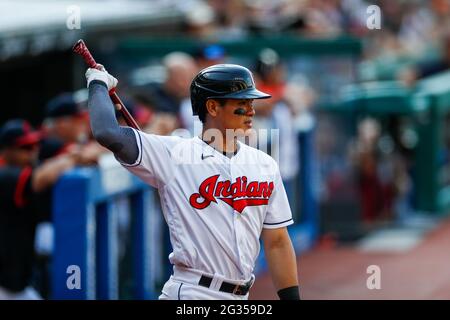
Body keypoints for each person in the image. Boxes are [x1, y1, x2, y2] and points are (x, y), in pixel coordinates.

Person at [85, 64, 300, 300]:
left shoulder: (264, 163)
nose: (251, 111)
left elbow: (277, 242)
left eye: (251, 103)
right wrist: (98, 84)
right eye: (242, 104)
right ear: (212, 106)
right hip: (193, 292)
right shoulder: (174, 153)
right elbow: (107, 132)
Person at [0, 119, 78, 299]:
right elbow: (40, 179)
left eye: (35, 146)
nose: (33, 152)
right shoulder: (4, 173)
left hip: (16, 283)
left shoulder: (22, 168)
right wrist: (73, 158)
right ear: (7, 150)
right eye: (26, 148)